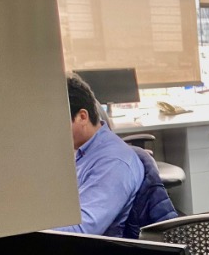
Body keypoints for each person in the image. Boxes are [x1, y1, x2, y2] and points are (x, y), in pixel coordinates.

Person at [54, 73, 144, 237]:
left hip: (93, 249)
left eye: (57, 123)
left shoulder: (112, 163)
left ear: (82, 117)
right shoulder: (81, 150)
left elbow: (82, 230)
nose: (52, 132)